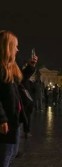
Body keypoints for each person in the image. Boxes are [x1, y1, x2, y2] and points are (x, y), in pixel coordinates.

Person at [0, 30, 38, 167]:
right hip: (6, 121)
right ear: (7, 46)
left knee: (11, 153)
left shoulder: (10, 67)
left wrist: (31, 66)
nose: (17, 49)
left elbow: (20, 79)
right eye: (15, 46)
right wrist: (1, 118)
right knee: (5, 156)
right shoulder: (1, 68)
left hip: (14, 119)